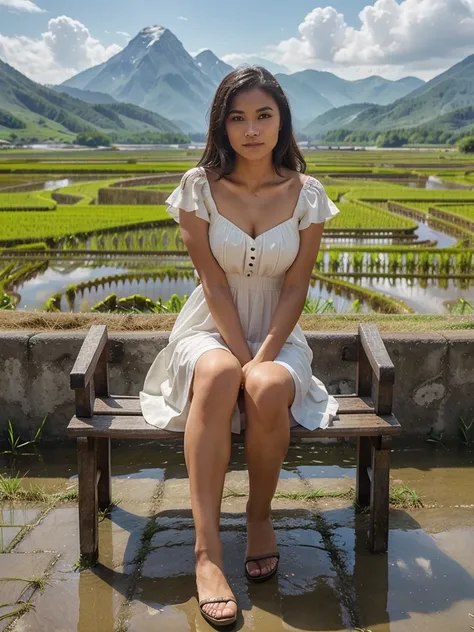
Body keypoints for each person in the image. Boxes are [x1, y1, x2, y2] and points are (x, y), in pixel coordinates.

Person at [139, 65, 340, 627]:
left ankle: (257, 518)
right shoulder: (198, 187)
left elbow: (297, 285)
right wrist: (241, 356)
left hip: (279, 327)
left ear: (281, 122)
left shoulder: (308, 193)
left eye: (263, 116)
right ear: (222, 126)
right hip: (209, 325)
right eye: (238, 117)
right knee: (221, 374)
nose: (251, 129)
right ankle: (206, 553)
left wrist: (266, 356)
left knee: (269, 383)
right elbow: (214, 282)